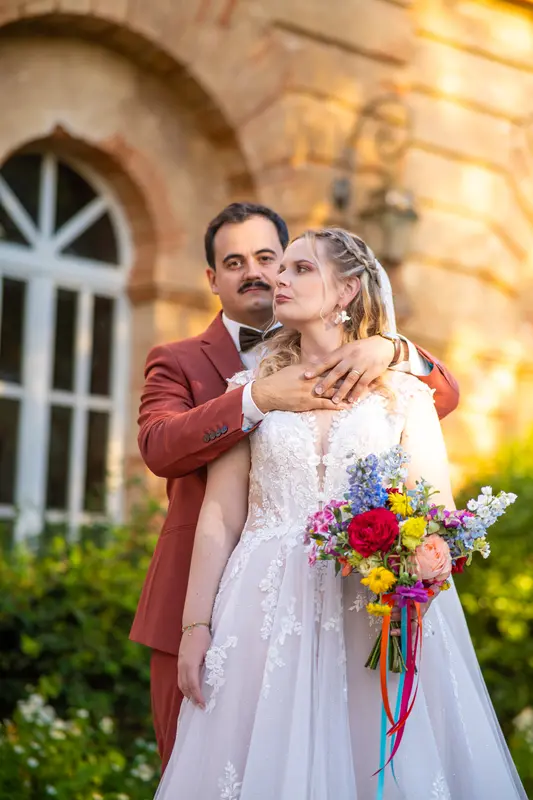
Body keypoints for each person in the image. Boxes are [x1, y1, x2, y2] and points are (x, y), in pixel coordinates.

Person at [154, 228, 526, 800]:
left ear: (347, 289)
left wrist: (412, 559)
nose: (280, 277)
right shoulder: (253, 389)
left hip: (370, 608)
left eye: (300, 268)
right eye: (284, 269)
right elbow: (219, 519)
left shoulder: (402, 393)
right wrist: (195, 628)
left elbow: (437, 511)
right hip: (261, 609)